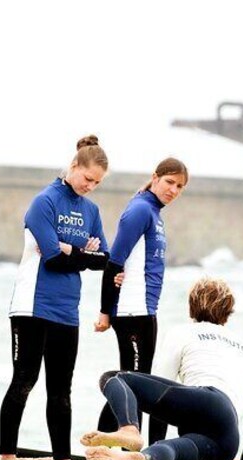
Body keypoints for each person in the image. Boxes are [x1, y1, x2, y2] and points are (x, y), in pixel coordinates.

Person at [82, 277, 243, 460]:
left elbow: (163, 394)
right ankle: (144, 457)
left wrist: (151, 432)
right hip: (226, 443)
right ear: (228, 311)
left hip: (205, 401)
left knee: (115, 379)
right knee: (170, 449)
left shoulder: (183, 332)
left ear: (192, 306)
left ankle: (129, 430)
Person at [3, 135, 110, 460]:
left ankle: (62, 457)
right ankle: (7, 454)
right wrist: (79, 253)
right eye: (87, 178)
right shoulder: (44, 202)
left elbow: (103, 258)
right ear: (74, 166)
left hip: (67, 309)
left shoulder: (91, 210)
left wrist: (71, 250)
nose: (90, 186)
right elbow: (51, 258)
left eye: (97, 182)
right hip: (32, 305)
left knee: (61, 388)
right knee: (24, 380)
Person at [94, 158, 188, 442]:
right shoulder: (139, 210)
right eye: (169, 182)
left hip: (146, 310)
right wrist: (105, 312)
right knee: (131, 385)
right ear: (155, 177)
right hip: (131, 310)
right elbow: (114, 263)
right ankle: (114, 448)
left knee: (133, 385)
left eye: (180, 186)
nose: (173, 190)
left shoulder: (154, 213)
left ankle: (110, 448)